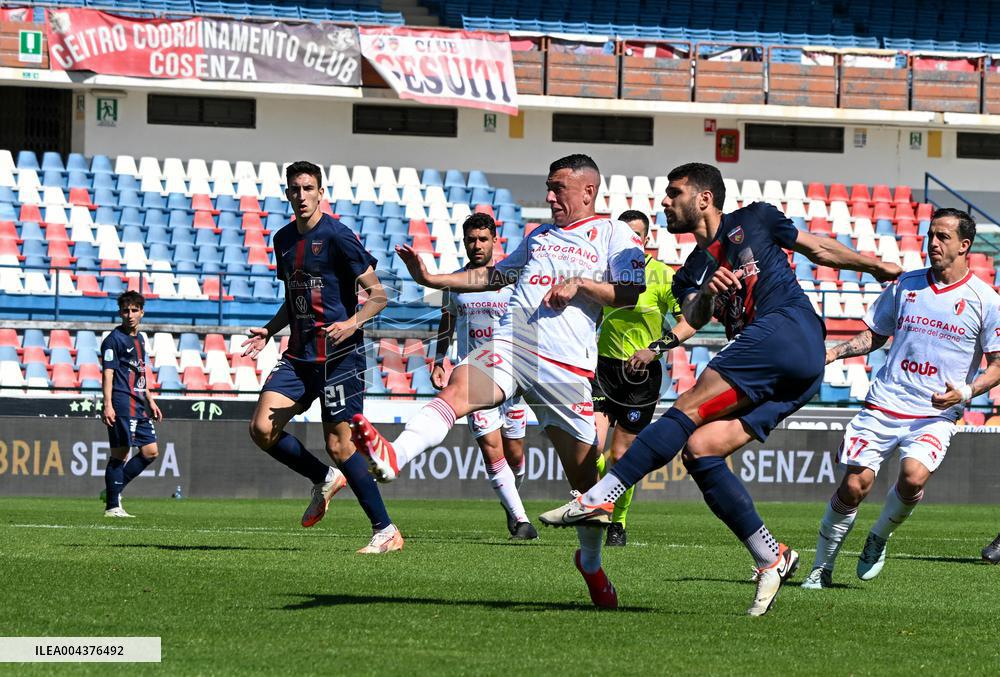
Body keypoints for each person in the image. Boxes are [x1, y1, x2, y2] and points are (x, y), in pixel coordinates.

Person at [540, 162, 902, 616]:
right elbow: (692, 316)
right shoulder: (690, 270)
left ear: (704, 198)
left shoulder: (756, 219)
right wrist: (699, 302)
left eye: (674, 193)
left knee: (688, 405)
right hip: (794, 372)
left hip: (786, 328)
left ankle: (600, 497)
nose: (665, 202)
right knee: (701, 449)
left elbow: (818, 248)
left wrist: (875, 266)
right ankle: (771, 557)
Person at [351, 154, 646, 607]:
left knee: (588, 488)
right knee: (456, 391)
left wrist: (582, 285)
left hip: (566, 368)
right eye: (548, 187)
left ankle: (590, 565)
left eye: (558, 188)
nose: (549, 196)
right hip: (513, 343)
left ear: (587, 191)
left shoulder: (613, 232)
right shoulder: (540, 235)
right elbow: (494, 275)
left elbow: (630, 293)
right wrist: (433, 277)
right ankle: (394, 455)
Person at [802, 208, 1000, 588]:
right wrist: (833, 353)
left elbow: (997, 363)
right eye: (930, 235)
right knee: (855, 486)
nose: (934, 243)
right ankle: (820, 568)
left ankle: (879, 536)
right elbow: (874, 336)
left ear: (965, 245)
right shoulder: (906, 284)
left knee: (912, 478)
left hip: (934, 413)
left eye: (943, 237)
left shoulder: (985, 300)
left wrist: (967, 391)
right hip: (884, 404)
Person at [242, 160, 402, 554]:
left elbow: (378, 296)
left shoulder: (337, 236)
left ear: (320, 192)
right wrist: (269, 329)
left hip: (339, 357)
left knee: (339, 444)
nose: (301, 196)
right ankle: (324, 478)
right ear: (287, 193)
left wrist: (351, 323)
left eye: (308, 188)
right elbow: (292, 299)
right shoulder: (282, 239)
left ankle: (385, 530)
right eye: (295, 189)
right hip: (298, 356)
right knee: (262, 429)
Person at [592, 209, 696, 546]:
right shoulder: (603, 271)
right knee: (590, 446)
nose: (631, 241)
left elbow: (688, 323)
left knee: (621, 457)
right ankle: (593, 507)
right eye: (625, 235)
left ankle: (617, 523)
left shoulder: (664, 276)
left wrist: (655, 348)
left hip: (641, 376)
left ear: (647, 239)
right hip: (603, 368)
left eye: (637, 235)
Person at [431, 212, 537, 540]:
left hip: (510, 374)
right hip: (473, 376)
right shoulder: (455, 283)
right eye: (470, 240)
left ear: (495, 241)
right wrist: (438, 360)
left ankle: (511, 501)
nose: (476, 246)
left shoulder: (508, 279)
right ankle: (521, 521)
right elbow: (447, 321)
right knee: (492, 448)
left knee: (515, 453)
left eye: (482, 239)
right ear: (464, 242)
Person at [101, 291, 163, 517]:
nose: (130, 315)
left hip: (139, 402)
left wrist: (150, 399)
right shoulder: (112, 340)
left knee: (151, 452)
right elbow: (107, 373)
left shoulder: (141, 339)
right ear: (120, 313)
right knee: (121, 453)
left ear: (142, 312)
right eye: (126, 311)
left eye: (134, 310)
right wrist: (107, 404)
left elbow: (140, 372)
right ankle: (112, 506)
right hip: (121, 401)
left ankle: (113, 490)